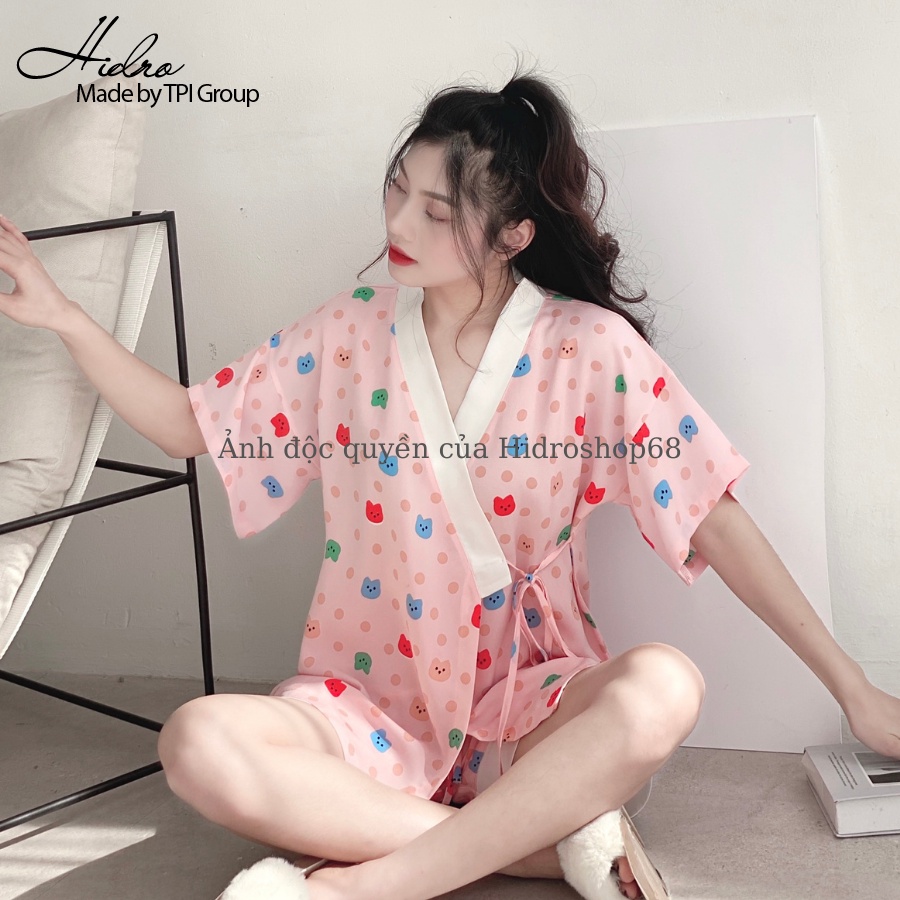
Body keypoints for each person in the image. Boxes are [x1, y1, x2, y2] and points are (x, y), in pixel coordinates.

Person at [1, 58, 898, 900]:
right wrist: (63, 315)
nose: (398, 225)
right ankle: (536, 848)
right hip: (370, 708)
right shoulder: (348, 334)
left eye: (436, 212)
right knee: (196, 742)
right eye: (398, 189)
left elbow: (713, 515)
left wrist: (853, 690)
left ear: (515, 236)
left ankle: (372, 882)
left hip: (530, 713)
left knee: (666, 686)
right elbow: (188, 426)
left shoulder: (588, 349)